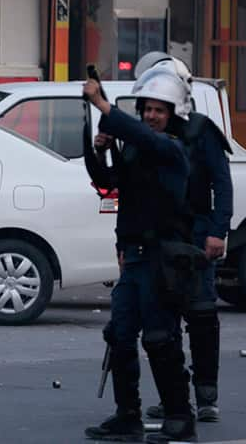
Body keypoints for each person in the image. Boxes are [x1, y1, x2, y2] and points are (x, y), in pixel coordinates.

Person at [82, 64, 199, 443]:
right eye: (147, 109)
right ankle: (127, 415)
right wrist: (97, 147)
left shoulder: (173, 149)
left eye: (159, 111)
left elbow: (147, 141)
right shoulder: (135, 146)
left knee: (160, 338)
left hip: (161, 257)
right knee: (119, 334)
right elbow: (109, 184)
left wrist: (103, 106)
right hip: (132, 256)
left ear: (173, 115)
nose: (151, 116)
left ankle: (180, 417)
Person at [134, 54, 233, 424]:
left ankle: (206, 396)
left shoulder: (201, 132)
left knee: (203, 318)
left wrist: (217, 231)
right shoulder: (146, 137)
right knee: (163, 325)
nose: (152, 113)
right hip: (159, 240)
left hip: (195, 239)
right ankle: (174, 397)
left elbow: (221, 184)